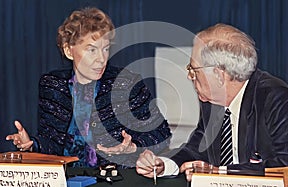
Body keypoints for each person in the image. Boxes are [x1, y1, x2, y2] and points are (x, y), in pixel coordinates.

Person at [6, 7, 171, 168]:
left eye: (105, 49)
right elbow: (53, 143)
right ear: (69, 51)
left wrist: (133, 147)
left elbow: (162, 134)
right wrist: (32, 144)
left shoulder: (126, 83)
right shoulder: (52, 85)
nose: (101, 59)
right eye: (92, 50)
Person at [136, 23, 288, 184]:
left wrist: (220, 173)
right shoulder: (213, 100)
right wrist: (164, 165)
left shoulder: (275, 98)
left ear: (219, 76)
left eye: (193, 70)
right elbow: (198, 148)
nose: (189, 77)